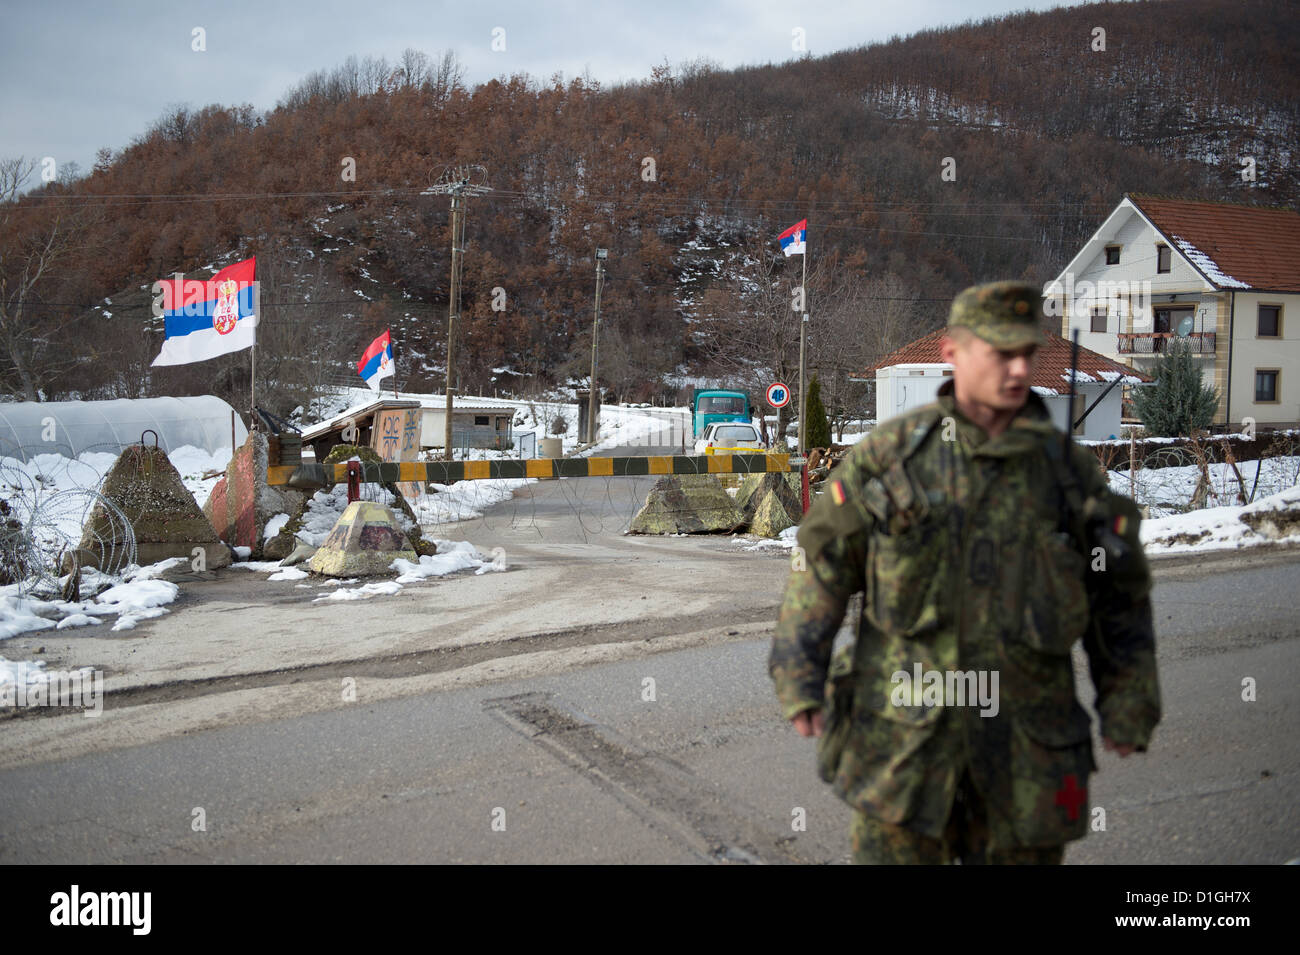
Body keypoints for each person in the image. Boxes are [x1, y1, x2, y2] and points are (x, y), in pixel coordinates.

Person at [768, 280, 1160, 864]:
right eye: (1000, 352)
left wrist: (1127, 702)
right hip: (902, 751)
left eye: (1027, 352)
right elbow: (821, 566)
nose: (1018, 367)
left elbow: (1119, 598)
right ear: (952, 352)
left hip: (1027, 759)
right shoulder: (891, 456)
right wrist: (800, 675)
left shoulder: (1067, 475)